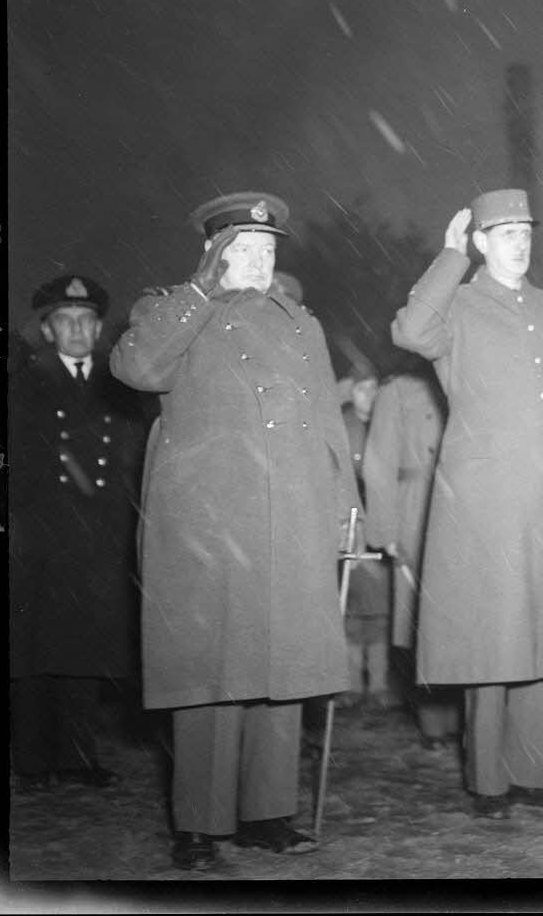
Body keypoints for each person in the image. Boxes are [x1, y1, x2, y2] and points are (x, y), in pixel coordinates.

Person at [110, 192, 359, 870]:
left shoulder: (299, 323)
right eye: (241, 249)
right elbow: (135, 367)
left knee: (281, 665)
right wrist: (197, 290)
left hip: (290, 515)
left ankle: (266, 814)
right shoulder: (170, 309)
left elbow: (328, 422)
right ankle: (199, 821)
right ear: (213, 252)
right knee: (209, 671)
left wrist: (346, 504)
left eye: (267, 249)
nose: (256, 261)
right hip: (209, 522)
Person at [390, 189, 543, 819]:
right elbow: (408, 331)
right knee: (494, 636)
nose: (521, 241)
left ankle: (537, 771)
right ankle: (489, 780)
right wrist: (448, 260)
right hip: (486, 495)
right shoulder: (456, 304)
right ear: (479, 241)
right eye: (505, 232)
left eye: (526, 230)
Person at [10, 274, 145, 792]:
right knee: (33, 651)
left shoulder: (119, 384)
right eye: (65, 321)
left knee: (85, 651)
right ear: (47, 329)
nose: (77, 330)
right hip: (39, 537)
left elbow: (131, 457)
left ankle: (77, 756)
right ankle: (33, 761)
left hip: (100, 539)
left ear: (98, 326)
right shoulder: (27, 382)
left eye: (86, 320)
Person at [363, 364, 462, 747]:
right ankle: (432, 721)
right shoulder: (398, 390)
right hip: (415, 510)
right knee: (420, 621)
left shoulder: (466, 374)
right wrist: (384, 530)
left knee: (461, 619)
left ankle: (464, 719)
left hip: (462, 510)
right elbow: (379, 462)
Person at [340, 368, 391, 709]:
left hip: (380, 521)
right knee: (351, 605)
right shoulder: (341, 426)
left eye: (374, 389)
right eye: (362, 389)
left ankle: (379, 685)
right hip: (349, 520)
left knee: (381, 609)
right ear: (351, 393)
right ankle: (350, 685)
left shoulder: (386, 425)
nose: (369, 396)